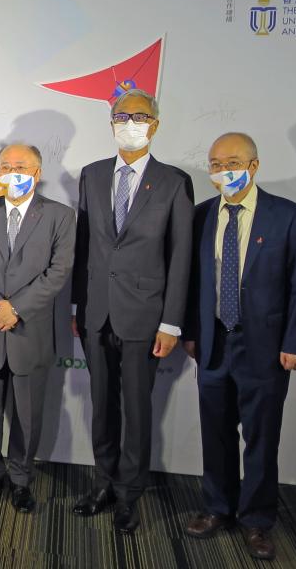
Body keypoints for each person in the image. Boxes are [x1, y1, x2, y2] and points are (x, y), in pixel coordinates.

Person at [182, 133, 296, 561]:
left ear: (254, 166)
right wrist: (191, 333)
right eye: (216, 164)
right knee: (215, 433)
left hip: (266, 347)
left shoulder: (288, 216)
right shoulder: (199, 216)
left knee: (261, 437)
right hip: (214, 343)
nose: (224, 171)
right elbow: (192, 282)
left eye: (232, 162)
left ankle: (257, 519)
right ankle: (218, 507)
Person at [71, 89, 194, 533]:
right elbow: (83, 243)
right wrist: (76, 302)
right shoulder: (91, 174)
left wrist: (171, 321)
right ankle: (103, 483)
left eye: (139, 116)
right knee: (101, 405)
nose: (129, 122)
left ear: (155, 124)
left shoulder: (173, 181)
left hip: (146, 315)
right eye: (121, 116)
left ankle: (129, 494)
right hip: (96, 311)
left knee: (137, 409)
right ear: (110, 124)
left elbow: (181, 256)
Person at [0, 143, 75, 513]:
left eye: (21, 166)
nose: (13, 172)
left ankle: (21, 479)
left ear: (37, 173)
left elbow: (58, 271)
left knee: (27, 412)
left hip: (30, 331)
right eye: (5, 166)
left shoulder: (60, 216)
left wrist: (17, 309)